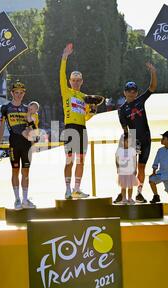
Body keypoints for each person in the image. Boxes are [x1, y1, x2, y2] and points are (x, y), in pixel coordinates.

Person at [114, 62, 158, 204]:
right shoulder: (122, 110)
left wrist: (153, 72)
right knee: (130, 168)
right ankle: (126, 195)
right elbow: (124, 127)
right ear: (124, 92)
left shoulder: (140, 101)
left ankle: (139, 192)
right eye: (129, 90)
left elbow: (152, 88)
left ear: (137, 93)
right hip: (133, 140)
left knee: (142, 167)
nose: (131, 93)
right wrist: (126, 140)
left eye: (134, 91)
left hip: (146, 137)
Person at [60, 43, 97, 199]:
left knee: (81, 161)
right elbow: (61, 74)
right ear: (69, 81)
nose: (75, 82)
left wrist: (92, 112)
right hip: (69, 128)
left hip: (82, 129)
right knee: (69, 160)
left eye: (78, 80)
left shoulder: (85, 97)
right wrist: (64, 58)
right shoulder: (66, 91)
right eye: (73, 80)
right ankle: (68, 189)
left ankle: (77, 189)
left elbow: (86, 116)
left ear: (82, 81)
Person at [0, 81, 36, 210]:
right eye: (16, 92)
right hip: (14, 143)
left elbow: (32, 129)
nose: (18, 95)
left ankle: (25, 199)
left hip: (26, 145)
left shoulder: (27, 109)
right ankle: (17, 199)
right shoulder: (6, 108)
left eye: (21, 93)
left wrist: (33, 133)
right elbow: (1, 128)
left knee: (26, 172)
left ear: (24, 94)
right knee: (15, 171)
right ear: (11, 93)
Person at [149, 131, 168, 218]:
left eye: (164, 138)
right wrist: (154, 172)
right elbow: (156, 161)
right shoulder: (160, 150)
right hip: (160, 173)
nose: (161, 139)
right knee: (151, 180)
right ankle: (156, 196)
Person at [115, 133, 138, 205]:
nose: (129, 143)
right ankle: (124, 198)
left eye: (130, 142)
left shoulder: (132, 150)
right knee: (123, 186)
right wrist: (117, 168)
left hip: (130, 172)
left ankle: (130, 198)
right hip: (122, 172)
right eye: (127, 141)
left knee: (130, 186)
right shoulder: (119, 150)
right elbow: (116, 160)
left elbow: (135, 160)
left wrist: (135, 169)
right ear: (122, 142)